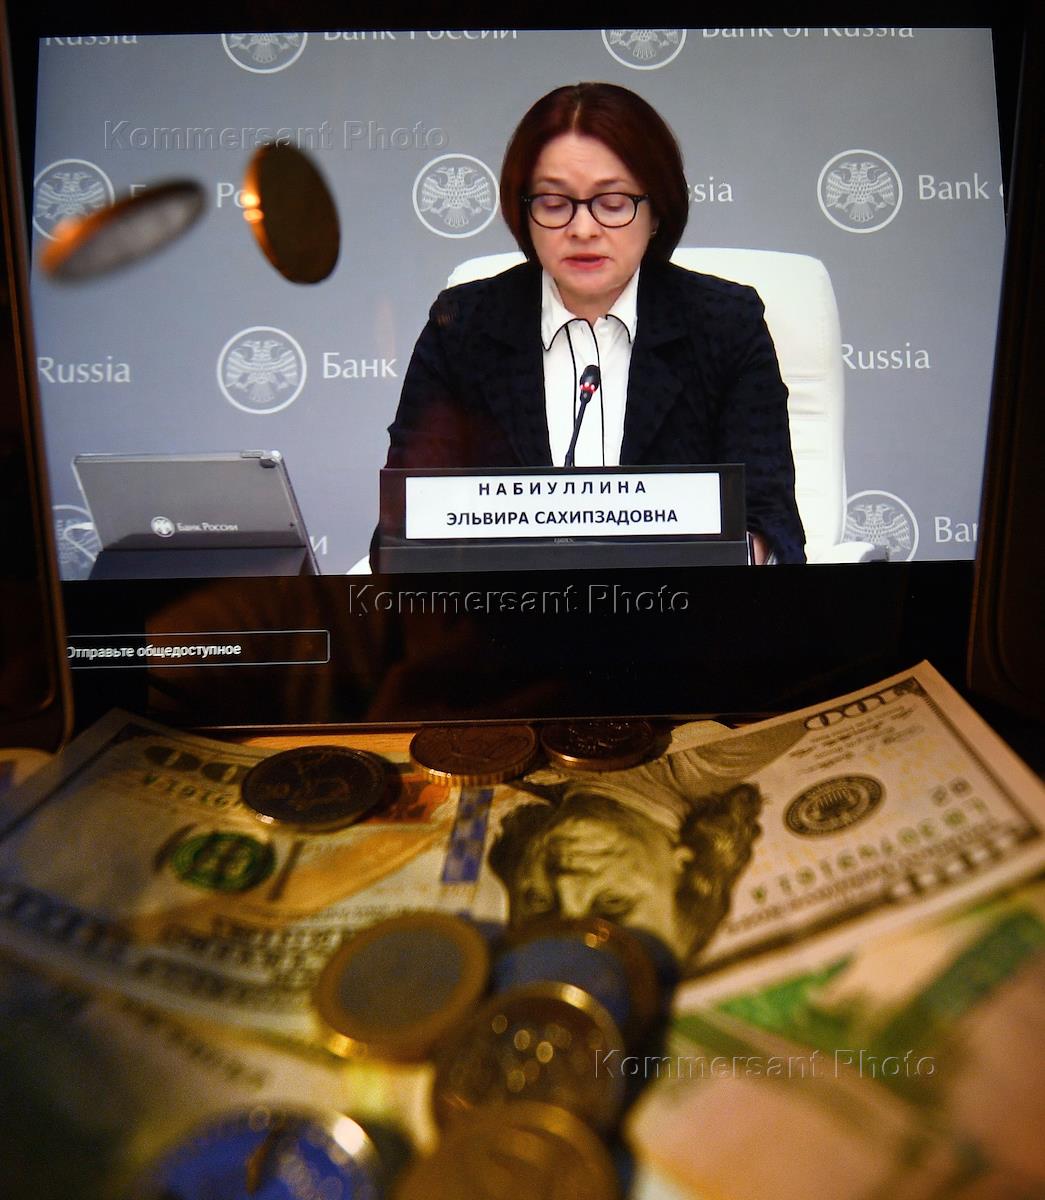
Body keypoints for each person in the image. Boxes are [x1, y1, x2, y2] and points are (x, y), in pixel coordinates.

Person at [384, 82, 806, 564]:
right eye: (554, 203)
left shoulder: (725, 324)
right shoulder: (462, 329)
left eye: (613, 202)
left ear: (656, 212)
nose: (583, 229)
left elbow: (769, 520)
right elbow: (405, 524)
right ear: (524, 213)